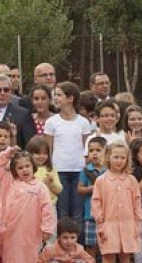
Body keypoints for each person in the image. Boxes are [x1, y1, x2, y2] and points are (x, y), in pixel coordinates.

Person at [0, 146, 56, 263]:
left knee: (31, 258)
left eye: (27, 166)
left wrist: (47, 228)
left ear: (33, 166)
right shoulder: (8, 182)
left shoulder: (40, 187)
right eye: (20, 167)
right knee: (11, 259)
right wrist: (8, 152)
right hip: (10, 230)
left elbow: (47, 208)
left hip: (32, 230)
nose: (24, 170)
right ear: (14, 170)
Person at [92, 141, 142, 263]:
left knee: (125, 254)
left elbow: (137, 200)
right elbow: (96, 201)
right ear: (108, 157)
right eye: (116, 157)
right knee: (108, 254)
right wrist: (100, 220)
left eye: (123, 157)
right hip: (109, 223)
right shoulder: (101, 180)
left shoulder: (131, 180)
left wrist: (137, 219)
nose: (119, 160)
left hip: (128, 223)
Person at [45, 82, 91, 222]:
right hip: (59, 172)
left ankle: (77, 242)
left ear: (70, 98)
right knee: (62, 210)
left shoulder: (83, 122)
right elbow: (48, 148)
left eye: (59, 95)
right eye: (55, 95)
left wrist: (86, 167)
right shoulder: (51, 122)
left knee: (78, 211)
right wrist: (50, 169)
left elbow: (87, 147)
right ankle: (62, 241)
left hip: (79, 171)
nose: (56, 99)